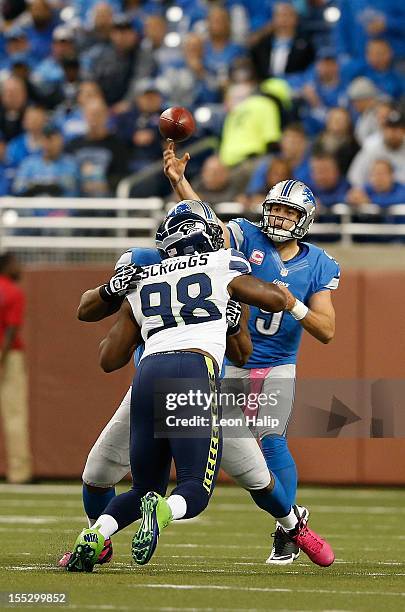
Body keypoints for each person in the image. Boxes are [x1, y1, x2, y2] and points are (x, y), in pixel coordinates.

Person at [65, 209, 334, 572]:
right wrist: (111, 288)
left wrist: (234, 325)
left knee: (255, 475)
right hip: (191, 380)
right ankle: (102, 542)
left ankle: (294, 529)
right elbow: (91, 314)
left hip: (172, 383)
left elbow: (240, 352)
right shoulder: (196, 265)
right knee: (102, 475)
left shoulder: (147, 272)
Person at [163, 143, 340, 565]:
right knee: (218, 444)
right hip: (231, 356)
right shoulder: (246, 233)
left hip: (276, 363)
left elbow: (328, 331)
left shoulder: (319, 264)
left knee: (271, 441)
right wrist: (179, 181)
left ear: (304, 221)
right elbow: (207, 224)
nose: (279, 218)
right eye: (276, 209)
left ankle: (287, 528)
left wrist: (292, 304)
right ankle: (290, 518)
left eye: (289, 214)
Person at [0, 252, 31, 484]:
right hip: (8, 356)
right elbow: (11, 329)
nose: (20, 267)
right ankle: (19, 473)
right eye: (16, 263)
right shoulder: (12, 291)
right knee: (14, 416)